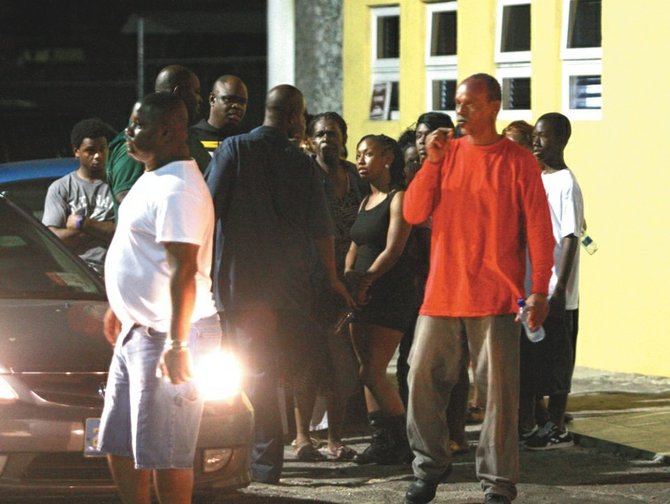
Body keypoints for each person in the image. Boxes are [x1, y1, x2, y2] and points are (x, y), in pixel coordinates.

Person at [402, 73, 555, 504]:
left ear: (493, 106)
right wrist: (430, 163)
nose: (460, 109)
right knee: (420, 378)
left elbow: (540, 230)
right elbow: (413, 213)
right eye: (457, 102)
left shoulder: (518, 161)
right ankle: (429, 467)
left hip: (496, 295)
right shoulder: (445, 154)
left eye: (470, 102)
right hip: (442, 294)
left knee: (498, 396)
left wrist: (539, 291)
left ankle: (498, 483)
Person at [205, 85, 352, 483]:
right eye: (302, 117)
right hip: (289, 291)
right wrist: (332, 280)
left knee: (252, 375)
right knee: (271, 373)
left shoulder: (233, 150)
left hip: (239, 287)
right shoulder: (302, 164)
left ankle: (258, 461)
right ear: (291, 117)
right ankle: (261, 459)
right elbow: (323, 230)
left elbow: (207, 209)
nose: (303, 124)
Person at [97, 92, 222, 504]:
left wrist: (177, 343)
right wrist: (122, 306)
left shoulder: (178, 190)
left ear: (167, 132)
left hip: (170, 336)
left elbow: (184, 270)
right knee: (118, 445)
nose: (128, 134)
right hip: (138, 331)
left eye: (137, 126)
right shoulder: (152, 177)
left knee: (167, 456)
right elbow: (142, 253)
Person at [345, 134, 416, 465]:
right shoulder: (365, 201)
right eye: (358, 154)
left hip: (387, 293)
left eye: (368, 154)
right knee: (365, 370)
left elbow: (394, 249)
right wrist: (348, 280)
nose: (360, 160)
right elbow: (354, 245)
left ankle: (402, 439)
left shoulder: (398, 198)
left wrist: (367, 279)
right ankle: (381, 441)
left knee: (373, 370)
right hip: (360, 294)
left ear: (388, 158)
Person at [520, 112, 584, 450]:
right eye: (535, 135)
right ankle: (537, 421)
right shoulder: (535, 179)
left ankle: (557, 424)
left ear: (560, 139)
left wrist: (559, 291)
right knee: (532, 359)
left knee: (559, 359)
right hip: (532, 288)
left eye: (543, 136)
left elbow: (571, 237)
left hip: (556, 291)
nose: (536, 141)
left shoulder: (566, 183)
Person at [306, 111, 368, 460]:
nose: (326, 139)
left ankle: (335, 437)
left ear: (344, 138)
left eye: (332, 133)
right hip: (310, 279)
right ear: (310, 140)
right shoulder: (304, 173)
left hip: (347, 277)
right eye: (319, 134)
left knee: (340, 361)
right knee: (306, 359)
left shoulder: (354, 178)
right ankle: (302, 438)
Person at [106, 64, 210, 214]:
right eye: (196, 92)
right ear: (179, 92)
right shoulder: (138, 142)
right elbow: (125, 196)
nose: (199, 99)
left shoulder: (183, 138)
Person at [42, 117, 116, 275]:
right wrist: (103, 228)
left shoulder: (118, 186)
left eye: (102, 149)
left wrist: (83, 223)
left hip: (117, 272)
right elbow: (53, 241)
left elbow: (126, 233)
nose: (98, 155)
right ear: (77, 151)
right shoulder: (61, 188)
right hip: (79, 276)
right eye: (90, 150)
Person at [190, 75, 249, 155]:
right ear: (212, 99)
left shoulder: (247, 142)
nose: (237, 106)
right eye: (229, 99)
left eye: (242, 102)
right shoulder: (191, 138)